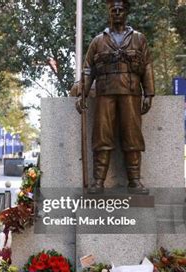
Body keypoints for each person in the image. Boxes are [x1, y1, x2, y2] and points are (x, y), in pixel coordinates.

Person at [76, 0, 155, 194]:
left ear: (126, 12)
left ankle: (134, 181)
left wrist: (149, 93)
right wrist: (82, 94)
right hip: (105, 93)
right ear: (109, 13)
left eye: (120, 10)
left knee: (132, 136)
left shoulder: (138, 38)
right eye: (114, 10)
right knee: (102, 136)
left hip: (131, 92)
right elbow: (87, 69)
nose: (117, 13)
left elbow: (146, 66)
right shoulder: (98, 41)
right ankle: (98, 181)